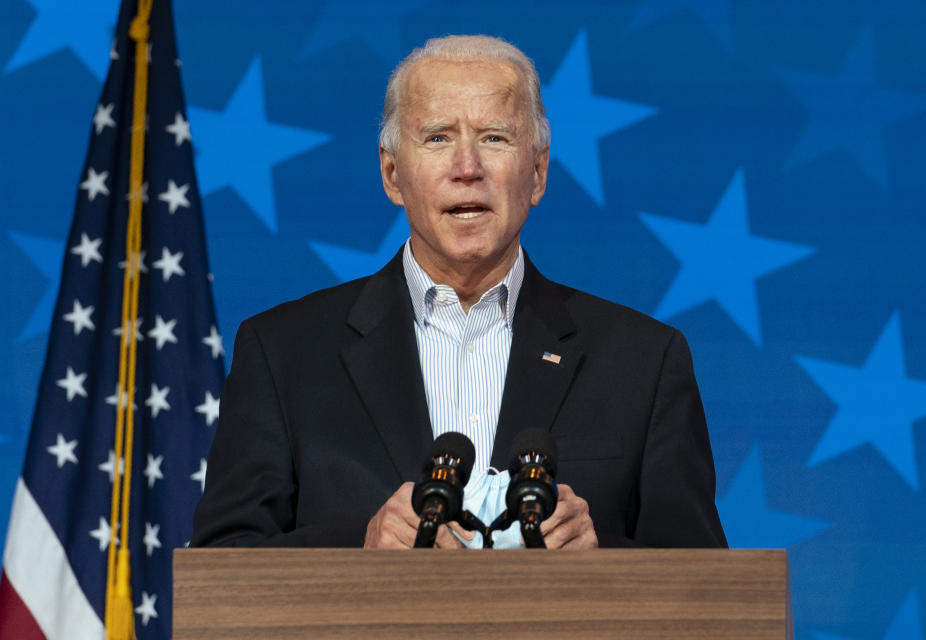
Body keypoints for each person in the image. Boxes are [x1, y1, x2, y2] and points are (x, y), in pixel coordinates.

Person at [191, 35, 727, 550]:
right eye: (438, 137)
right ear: (392, 173)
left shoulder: (643, 361)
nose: (467, 168)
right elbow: (219, 570)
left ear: (537, 172)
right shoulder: (283, 353)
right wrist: (361, 544)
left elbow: (706, 592)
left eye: (494, 137)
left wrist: (598, 554)